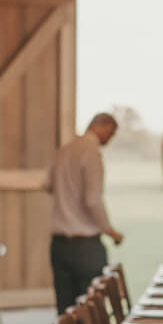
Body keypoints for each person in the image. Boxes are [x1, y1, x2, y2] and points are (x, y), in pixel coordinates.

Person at [47, 112, 123, 312]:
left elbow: (48, 185)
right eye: (111, 133)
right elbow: (92, 201)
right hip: (85, 247)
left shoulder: (64, 149)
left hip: (59, 245)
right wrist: (109, 230)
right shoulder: (91, 152)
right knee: (92, 314)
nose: (110, 138)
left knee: (66, 316)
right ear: (101, 125)